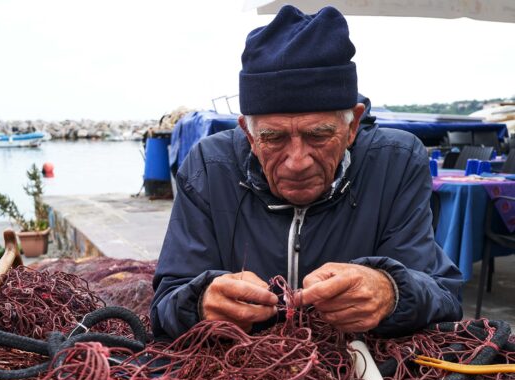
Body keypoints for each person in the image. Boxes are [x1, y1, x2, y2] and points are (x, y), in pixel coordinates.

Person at [150, 5, 463, 339]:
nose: (297, 161)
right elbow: (166, 303)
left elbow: (443, 295)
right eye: (273, 137)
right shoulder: (208, 167)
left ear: (353, 125)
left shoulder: (396, 162)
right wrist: (200, 304)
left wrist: (392, 291)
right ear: (248, 134)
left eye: (319, 135)